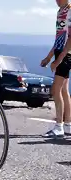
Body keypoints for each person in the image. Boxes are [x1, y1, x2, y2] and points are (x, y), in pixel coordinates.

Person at [40, 0, 71, 138]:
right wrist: (49, 57)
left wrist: (58, 60)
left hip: (66, 54)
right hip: (61, 53)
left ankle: (59, 126)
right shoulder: (61, 11)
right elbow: (59, 37)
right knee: (64, 90)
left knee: (55, 90)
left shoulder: (69, 10)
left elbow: (70, 38)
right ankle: (68, 125)